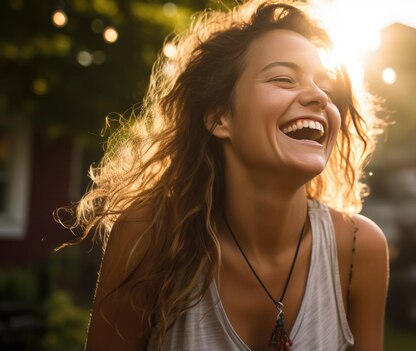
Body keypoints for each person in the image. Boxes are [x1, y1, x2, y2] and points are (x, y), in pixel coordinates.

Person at [56, 1, 388, 350]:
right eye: (283, 79)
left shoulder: (357, 249)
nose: (319, 97)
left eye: (327, 89)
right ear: (219, 118)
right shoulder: (149, 236)